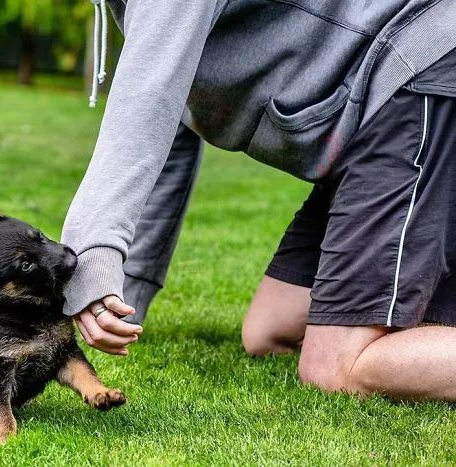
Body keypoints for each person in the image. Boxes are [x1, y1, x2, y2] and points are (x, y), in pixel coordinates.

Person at [61, 0, 456, 401]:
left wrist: (91, 254)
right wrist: (127, 298)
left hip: (415, 72)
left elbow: (147, 99)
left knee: (337, 367)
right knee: (267, 331)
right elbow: (171, 118)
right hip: (370, 111)